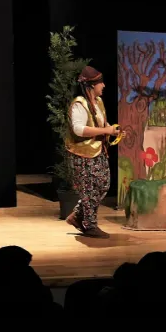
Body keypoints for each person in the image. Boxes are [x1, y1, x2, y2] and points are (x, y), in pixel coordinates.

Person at [65, 66, 117, 238]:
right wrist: (105, 131)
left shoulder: (98, 102)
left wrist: (111, 129)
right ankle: (90, 225)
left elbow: (101, 123)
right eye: (101, 83)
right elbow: (79, 129)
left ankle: (77, 215)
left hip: (98, 150)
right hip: (83, 153)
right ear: (92, 85)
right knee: (89, 189)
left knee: (103, 185)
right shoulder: (79, 104)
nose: (104, 86)